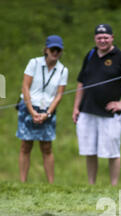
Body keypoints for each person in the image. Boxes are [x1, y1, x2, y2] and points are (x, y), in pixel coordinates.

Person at [72, 24, 121, 186]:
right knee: (89, 150)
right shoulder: (90, 54)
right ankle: (91, 184)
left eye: (106, 37)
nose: (102, 40)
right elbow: (81, 82)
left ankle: (113, 186)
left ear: (112, 38)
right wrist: (76, 107)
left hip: (109, 114)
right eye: (99, 37)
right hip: (87, 111)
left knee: (112, 152)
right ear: (95, 39)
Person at [17, 35, 68, 183]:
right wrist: (32, 111)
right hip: (28, 107)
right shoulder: (34, 63)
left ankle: (51, 183)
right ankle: (23, 182)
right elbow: (25, 86)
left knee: (47, 146)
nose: (55, 52)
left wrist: (48, 113)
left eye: (58, 50)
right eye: (53, 49)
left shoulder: (63, 70)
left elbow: (59, 95)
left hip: (48, 110)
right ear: (46, 49)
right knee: (26, 144)